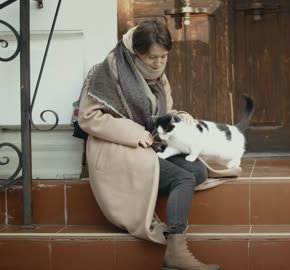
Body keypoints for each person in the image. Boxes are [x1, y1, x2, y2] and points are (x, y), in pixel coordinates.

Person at [77, 20, 241, 270]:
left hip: (150, 144)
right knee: (183, 179)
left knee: (197, 171)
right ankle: (175, 250)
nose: (159, 63)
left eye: (164, 56)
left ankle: (151, 187)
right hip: (118, 148)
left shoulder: (157, 77)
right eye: (153, 57)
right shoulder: (108, 71)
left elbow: (161, 113)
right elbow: (88, 118)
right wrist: (133, 132)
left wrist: (181, 116)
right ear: (137, 53)